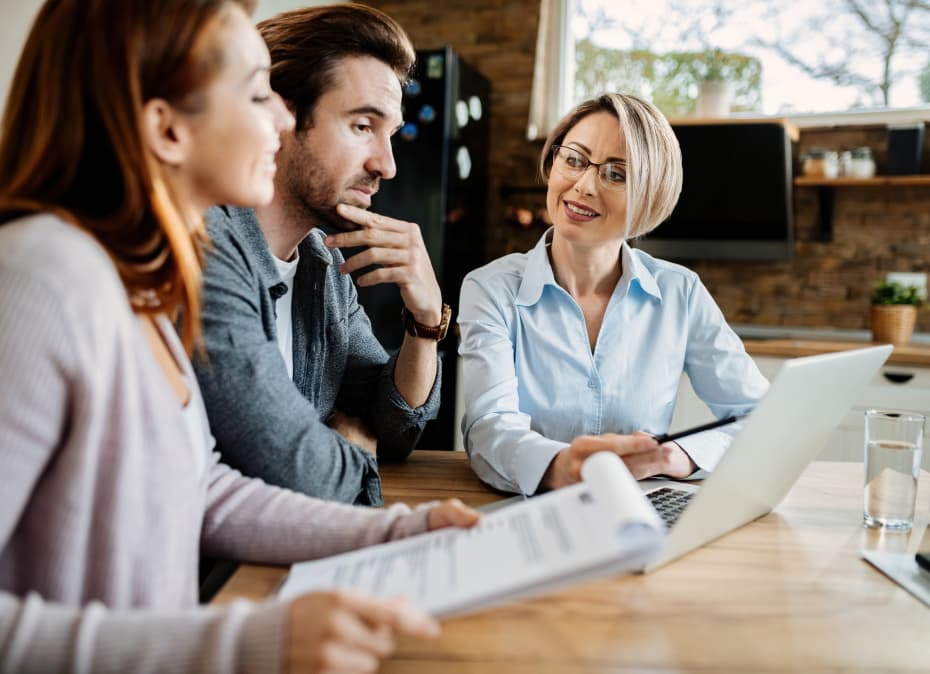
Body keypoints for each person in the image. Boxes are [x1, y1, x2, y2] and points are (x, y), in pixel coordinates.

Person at [0, 1, 478, 671]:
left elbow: (207, 490)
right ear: (166, 129)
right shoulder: (43, 279)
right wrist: (242, 643)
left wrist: (399, 529)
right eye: (259, 94)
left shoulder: (134, 285)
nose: (281, 119)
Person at [193, 4, 448, 507]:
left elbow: (394, 430)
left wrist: (424, 322)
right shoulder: (210, 247)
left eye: (390, 134)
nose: (387, 165)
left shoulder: (324, 264)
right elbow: (294, 469)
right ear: (281, 116)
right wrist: (352, 451)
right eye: (361, 126)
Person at [458, 93, 769, 495]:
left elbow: (758, 417)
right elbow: (488, 430)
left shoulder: (681, 293)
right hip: (526, 512)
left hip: (636, 516)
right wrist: (565, 466)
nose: (583, 186)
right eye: (573, 159)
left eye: (616, 174)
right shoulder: (490, 288)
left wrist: (675, 456)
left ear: (649, 197)